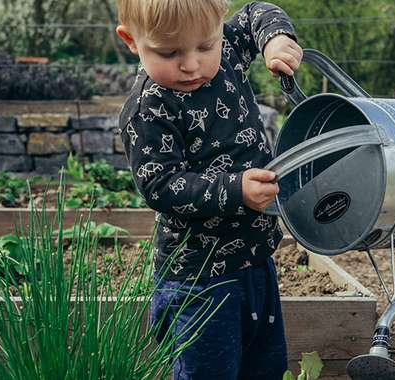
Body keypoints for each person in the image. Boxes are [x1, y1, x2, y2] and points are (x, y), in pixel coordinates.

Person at [115, 1, 302, 378]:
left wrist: (275, 39)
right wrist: (236, 190)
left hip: (257, 261)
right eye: (169, 52)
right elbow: (160, 184)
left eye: (205, 46)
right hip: (198, 281)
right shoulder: (149, 108)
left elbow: (255, 13)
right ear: (131, 41)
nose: (191, 64)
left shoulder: (227, 49)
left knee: (265, 366)